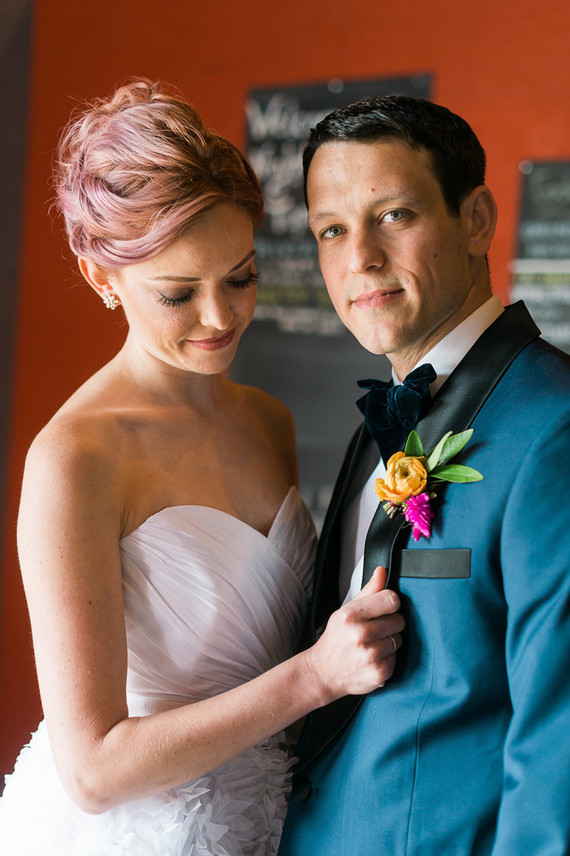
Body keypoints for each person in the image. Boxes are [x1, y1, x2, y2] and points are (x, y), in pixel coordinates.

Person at [0, 80, 405, 856]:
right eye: (178, 294)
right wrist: (315, 678)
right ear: (101, 278)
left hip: (274, 823)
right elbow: (92, 772)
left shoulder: (267, 422)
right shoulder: (75, 459)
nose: (220, 318)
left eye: (240, 277)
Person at [278, 95, 570, 854]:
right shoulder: (375, 426)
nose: (360, 258)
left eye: (394, 215)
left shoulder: (555, 426)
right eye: (332, 230)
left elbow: (561, 749)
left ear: (476, 219)